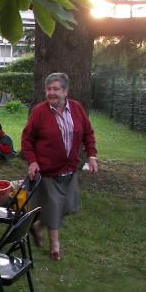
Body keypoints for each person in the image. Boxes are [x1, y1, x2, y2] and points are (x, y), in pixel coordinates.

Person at [22, 72, 98, 262]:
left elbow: (88, 133)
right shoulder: (39, 111)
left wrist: (92, 155)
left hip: (70, 168)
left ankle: (38, 226)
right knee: (55, 206)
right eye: (49, 89)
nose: (51, 93)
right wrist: (32, 161)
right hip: (47, 170)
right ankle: (55, 246)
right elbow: (27, 139)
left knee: (68, 206)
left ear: (66, 91)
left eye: (56, 89)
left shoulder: (77, 109)